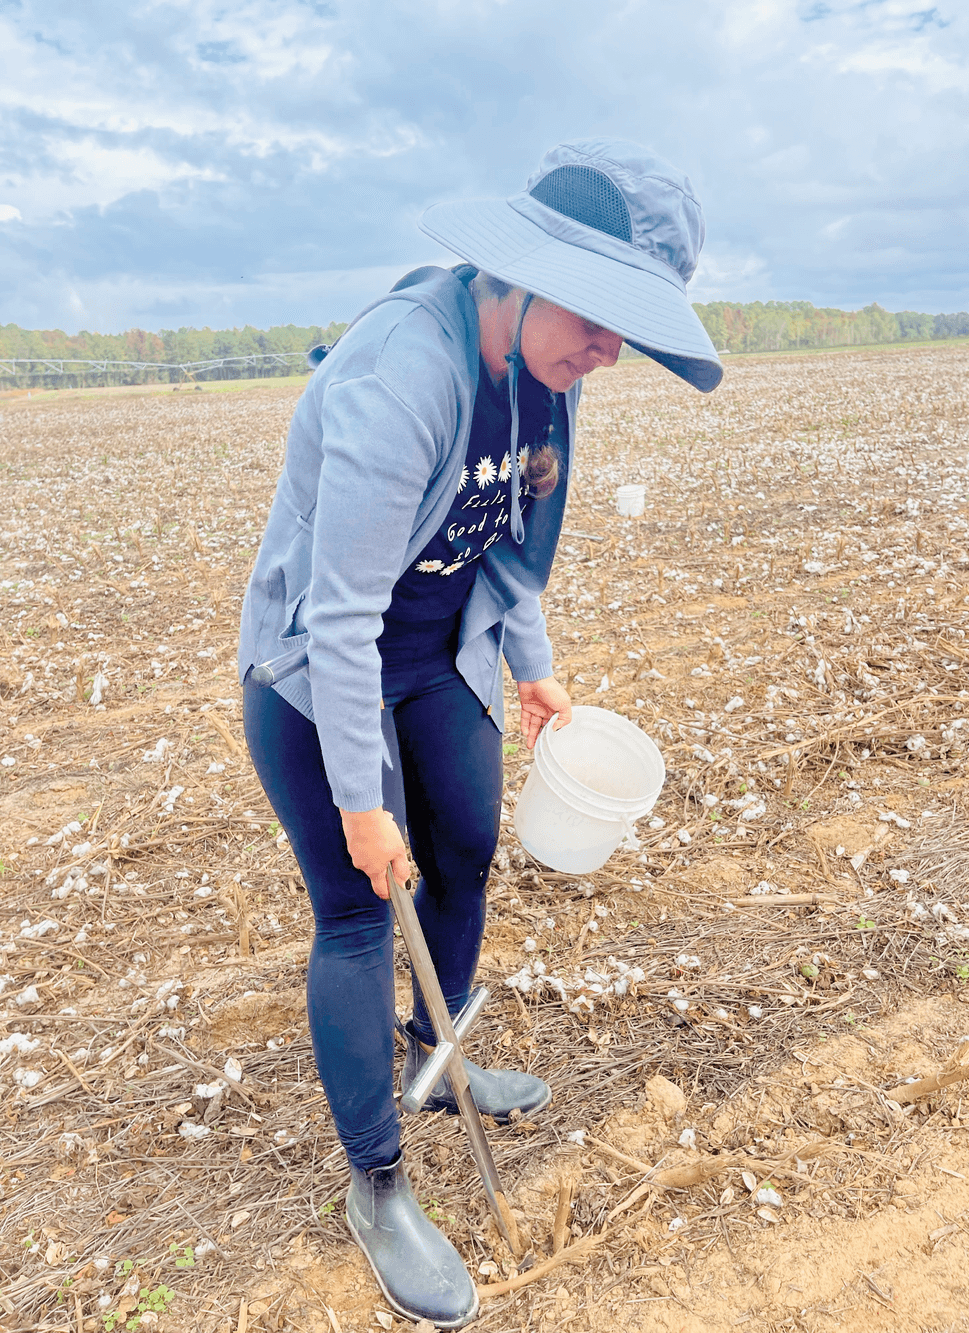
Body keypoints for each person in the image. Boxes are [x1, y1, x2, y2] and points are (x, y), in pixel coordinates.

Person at [239, 137, 722, 1328]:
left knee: (463, 843)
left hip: (436, 653)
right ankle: (378, 1181)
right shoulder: (403, 375)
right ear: (520, 270)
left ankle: (436, 1058)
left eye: (629, 327)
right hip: (319, 675)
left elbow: (508, 543)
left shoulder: (546, 377)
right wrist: (361, 803)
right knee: (361, 909)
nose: (610, 350)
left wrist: (537, 674)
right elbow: (340, 615)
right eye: (601, 316)